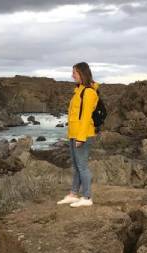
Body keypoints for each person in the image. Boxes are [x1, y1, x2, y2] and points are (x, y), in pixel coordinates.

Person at [57, 62, 99, 207]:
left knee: (82, 167)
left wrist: (80, 138)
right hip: (74, 133)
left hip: (83, 134)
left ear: (81, 73)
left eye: (74, 72)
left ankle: (87, 197)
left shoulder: (89, 92)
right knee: (76, 166)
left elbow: (86, 117)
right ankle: (74, 194)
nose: (72, 75)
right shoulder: (79, 90)